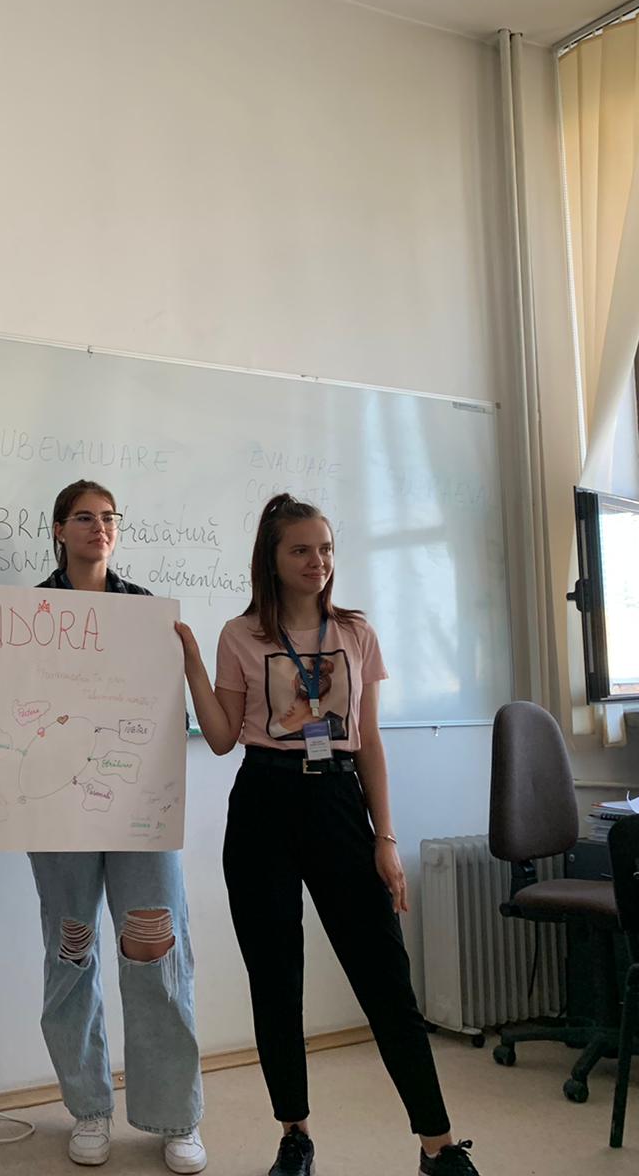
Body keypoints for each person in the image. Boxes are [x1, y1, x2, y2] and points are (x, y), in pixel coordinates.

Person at [176, 493, 479, 1176]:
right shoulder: (240, 634)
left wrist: (385, 838)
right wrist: (193, 662)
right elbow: (221, 739)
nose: (318, 561)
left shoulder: (356, 633)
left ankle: (437, 1146)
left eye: (326, 549)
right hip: (263, 803)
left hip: (339, 802)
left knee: (385, 978)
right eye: (301, 550)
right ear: (272, 559)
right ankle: (295, 1136)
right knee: (275, 979)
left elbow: (368, 739)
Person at [28, 479, 207, 1174]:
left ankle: (176, 1115)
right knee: (71, 952)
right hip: (58, 808)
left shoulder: (145, 614)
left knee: (156, 949)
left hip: (139, 806)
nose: (98, 528)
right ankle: (89, 1107)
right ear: (58, 529)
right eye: (83, 517)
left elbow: (167, 718)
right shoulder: (30, 614)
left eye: (108, 517)